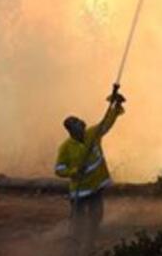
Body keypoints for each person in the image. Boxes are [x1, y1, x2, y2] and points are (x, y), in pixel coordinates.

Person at [54, 88, 125, 244]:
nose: (81, 124)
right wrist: (73, 171)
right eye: (76, 124)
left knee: (96, 216)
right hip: (79, 190)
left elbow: (106, 123)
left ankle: (91, 239)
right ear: (70, 130)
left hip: (95, 186)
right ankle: (74, 242)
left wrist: (115, 105)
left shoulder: (92, 134)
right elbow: (58, 169)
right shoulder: (65, 148)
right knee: (77, 220)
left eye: (79, 122)